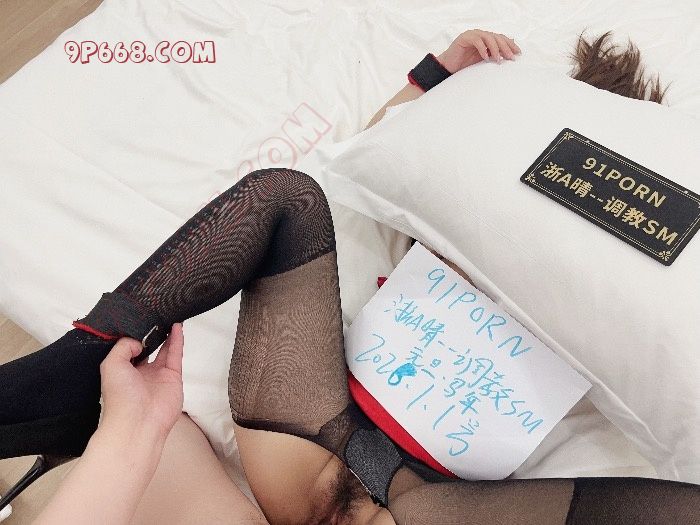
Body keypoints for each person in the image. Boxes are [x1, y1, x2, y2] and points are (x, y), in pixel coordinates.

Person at [1, 28, 698, 525]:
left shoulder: (618, 299)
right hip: (311, 431)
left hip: (424, 499)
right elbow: (378, 154)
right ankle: (78, 364)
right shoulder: (467, 201)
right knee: (287, 195)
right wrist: (435, 77)